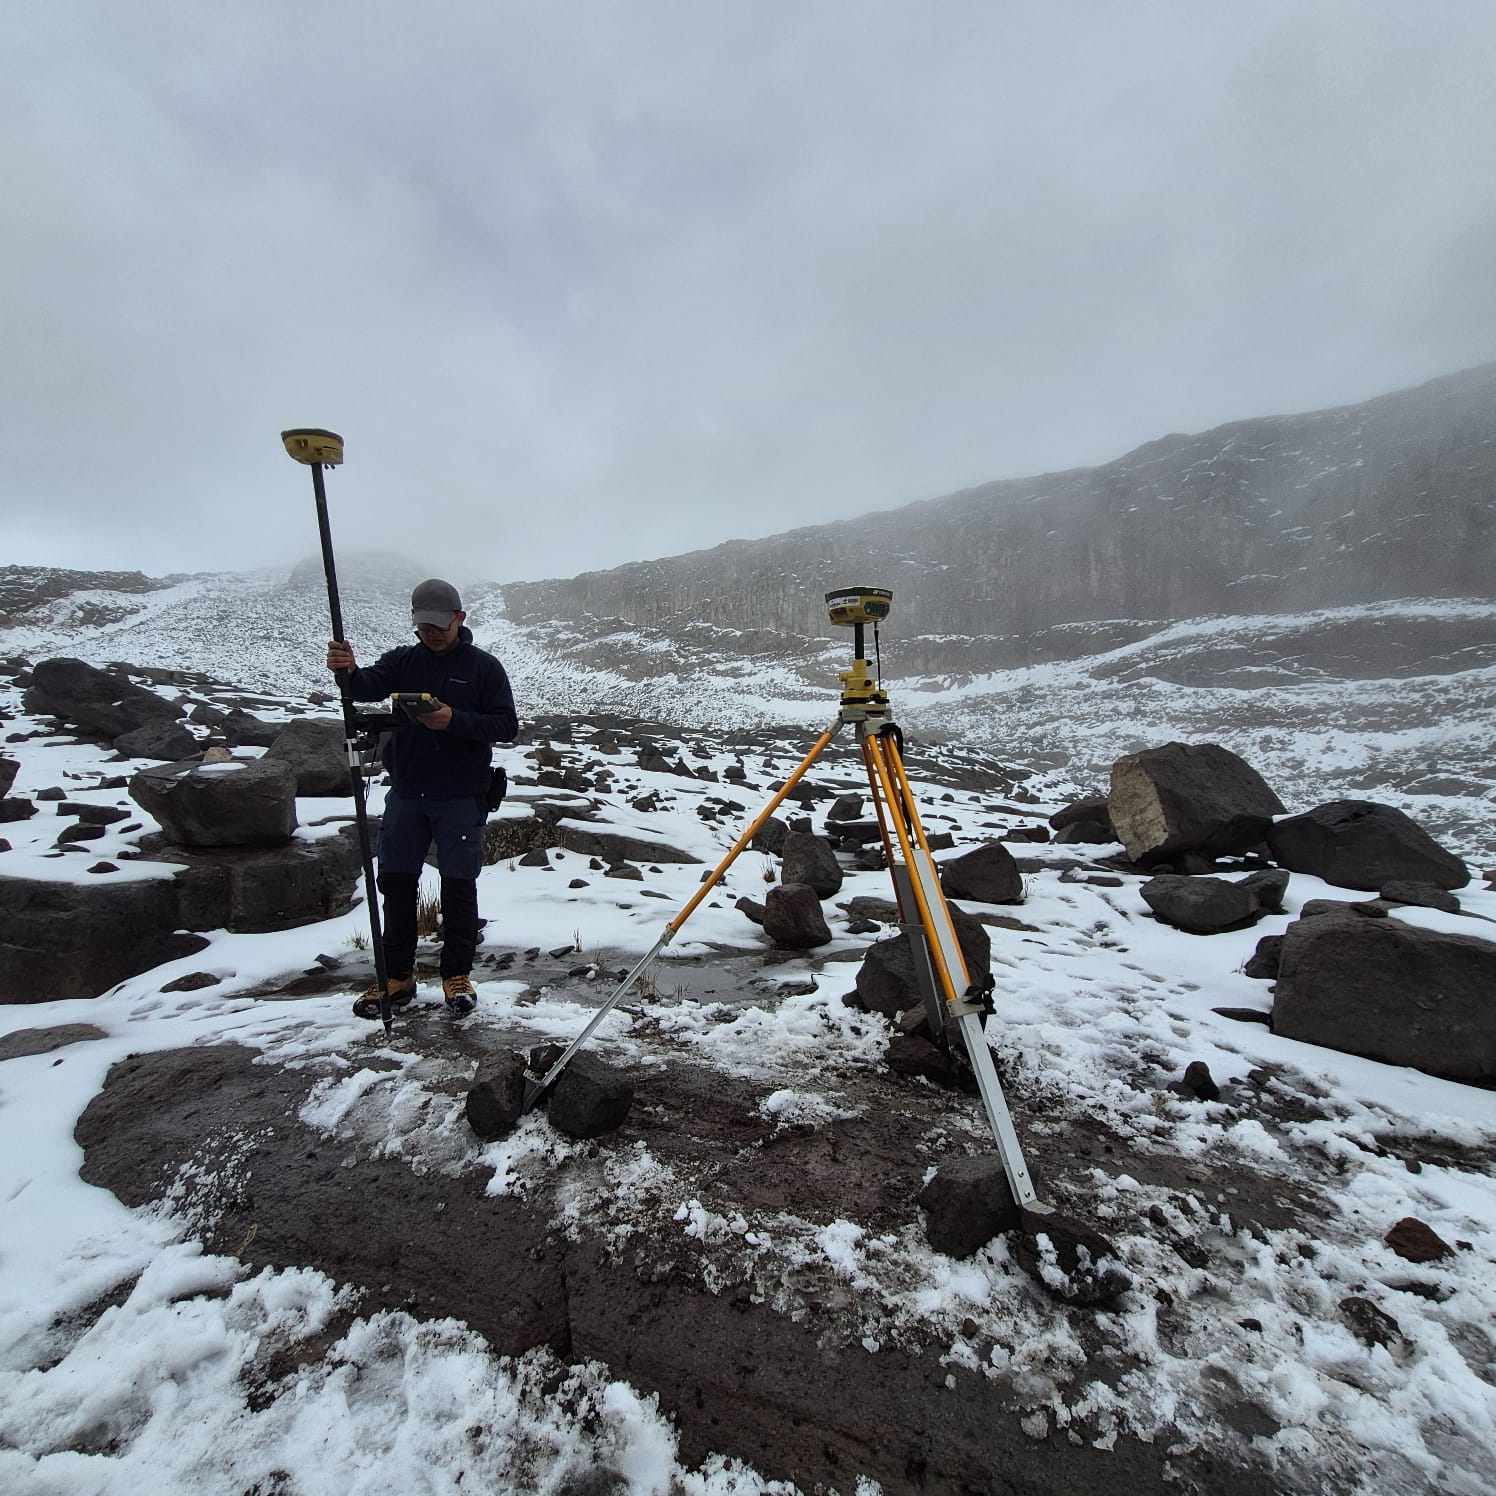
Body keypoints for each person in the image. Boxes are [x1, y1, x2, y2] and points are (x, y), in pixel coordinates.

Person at [326, 578, 518, 1019]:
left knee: (458, 885)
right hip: (408, 794)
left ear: (459, 618)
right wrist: (348, 671)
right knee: (395, 883)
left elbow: (506, 725)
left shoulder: (484, 668)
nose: (430, 633)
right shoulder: (402, 661)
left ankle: (456, 976)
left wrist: (453, 720)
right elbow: (365, 687)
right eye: (423, 625)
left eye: (438, 625)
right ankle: (397, 977)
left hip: (462, 796)